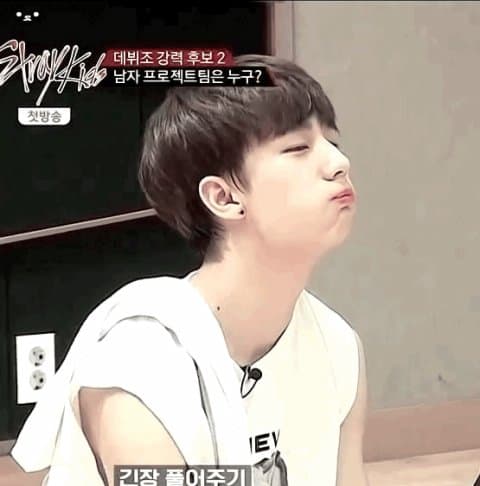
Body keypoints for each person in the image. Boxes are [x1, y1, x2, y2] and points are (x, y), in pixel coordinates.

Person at [10, 54, 370, 486]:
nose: (339, 162)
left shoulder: (337, 346)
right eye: (298, 148)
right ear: (224, 197)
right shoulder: (138, 360)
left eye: (332, 141)